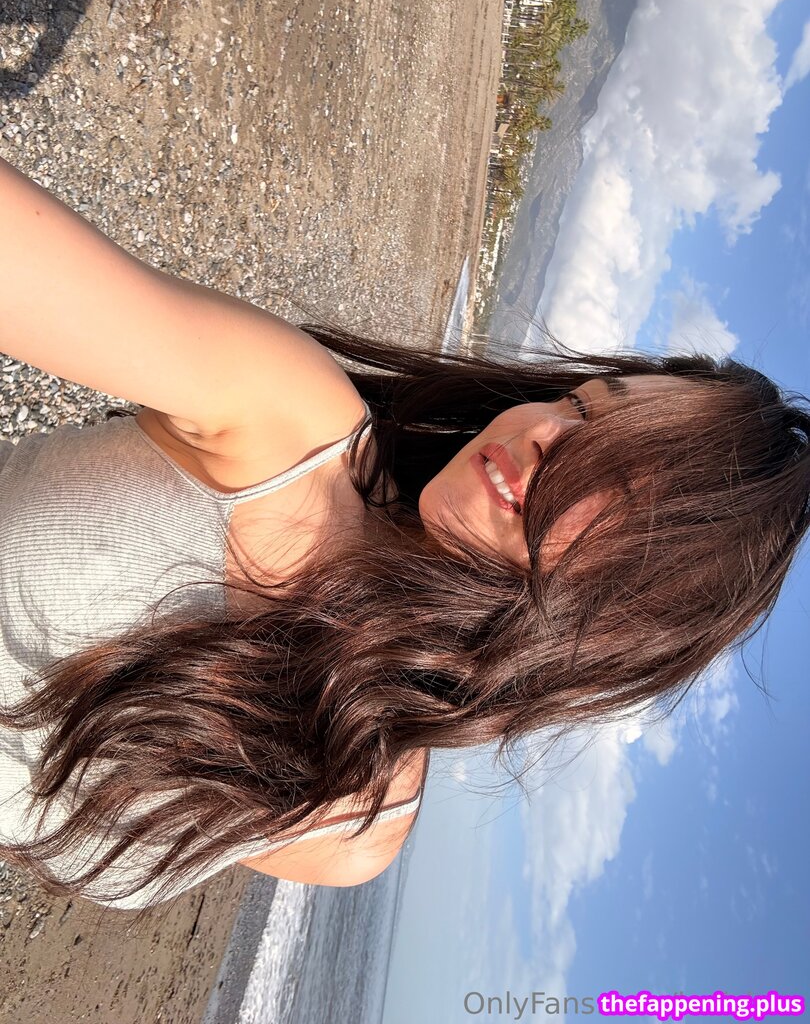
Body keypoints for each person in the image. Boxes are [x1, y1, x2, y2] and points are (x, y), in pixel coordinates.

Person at [0, 154, 808, 920]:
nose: (545, 435)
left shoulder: (355, 833)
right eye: (583, 405)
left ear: (622, 614)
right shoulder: (292, 425)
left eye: (610, 483)